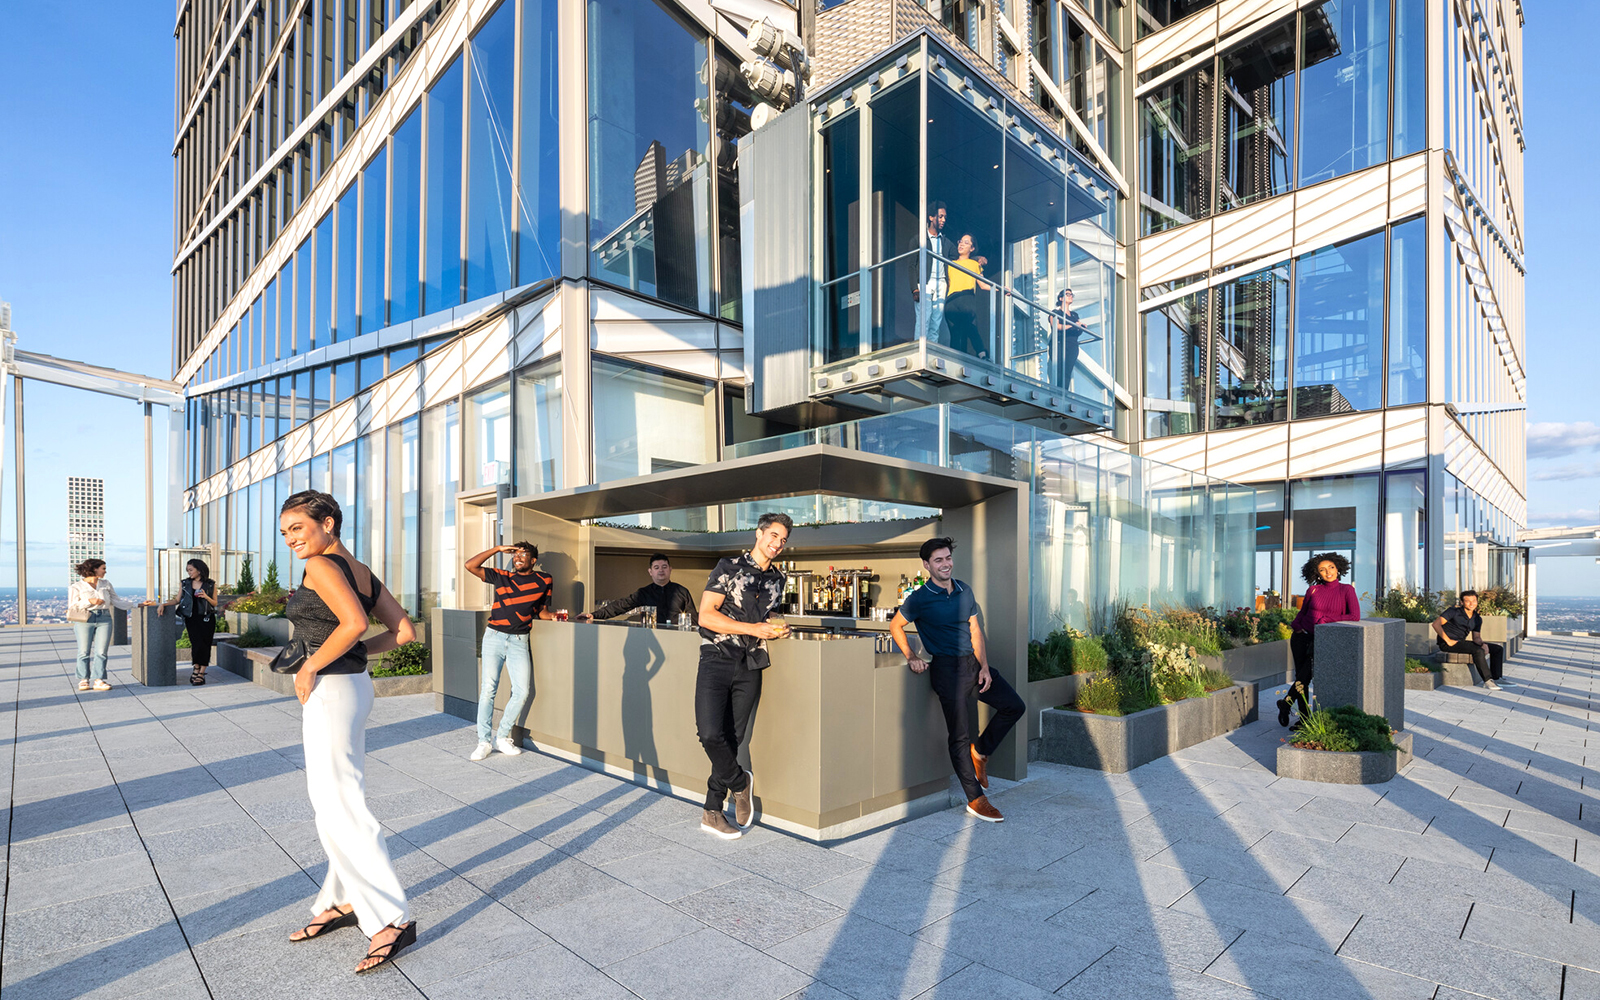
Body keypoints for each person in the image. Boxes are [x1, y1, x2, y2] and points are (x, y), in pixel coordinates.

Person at [279, 490, 418, 974]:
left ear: (328, 523)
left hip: (333, 692)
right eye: (285, 532)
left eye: (298, 528)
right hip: (353, 687)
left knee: (341, 805)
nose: (291, 539)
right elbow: (404, 632)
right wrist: (352, 656)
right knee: (335, 800)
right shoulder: (359, 569)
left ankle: (390, 917)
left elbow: (354, 622)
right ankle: (341, 900)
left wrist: (310, 667)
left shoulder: (320, 565)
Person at [889, 537, 1024, 823]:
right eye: (938, 560)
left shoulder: (964, 590)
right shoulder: (919, 598)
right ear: (926, 565)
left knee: (1014, 706)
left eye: (947, 558)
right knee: (960, 736)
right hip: (947, 670)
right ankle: (975, 799)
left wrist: (984, 667)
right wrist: (912, 656)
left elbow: (975, 630)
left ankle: (982, 751)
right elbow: (895, 625)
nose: (945, 564)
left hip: (973, 665)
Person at [695, 513, 792, 839]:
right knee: (710, 733)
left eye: (783, 540)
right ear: (759, 533)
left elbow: (769, 614)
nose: (777, 544)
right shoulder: (728, 566)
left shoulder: (778, 579)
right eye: (774, 535)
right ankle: (740, 783)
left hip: (751, 664)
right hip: (717, 658)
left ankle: (712, 811)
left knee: (733, 738)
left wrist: (779, 624)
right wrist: (752, 628)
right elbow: (706, 615)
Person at [463, 542, 555, 761]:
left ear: (533, 560)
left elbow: (542, 611)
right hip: (493, 637)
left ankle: (502, 737)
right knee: (488, 690)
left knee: (522, 690)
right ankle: (484, 741)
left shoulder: (545, 579)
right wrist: (497, 549)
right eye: (516, 555)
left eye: (524, 555)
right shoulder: (501, 576)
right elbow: (470, 565)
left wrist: (564, 618)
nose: (518, 558)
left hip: (519, 640)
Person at [1281, 552, 1361, 727]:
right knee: (1302, 677)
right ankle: (1303, 719)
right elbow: (1303, 613)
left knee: (1305, 675)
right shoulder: (1313, 590)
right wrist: (1295, 625)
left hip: (1322, 640)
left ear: (1338, 568)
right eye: (1322, 570)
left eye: (1331, 567)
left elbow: (1354, 616)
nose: (1328, 572)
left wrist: (1326, 620)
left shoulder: (1347, 590)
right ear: (1317, 573)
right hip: (1300, 637)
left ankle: (1286, 703)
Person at [67, 559, 148, 692]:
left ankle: (98, 679)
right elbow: (72, 606)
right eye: (103, 568)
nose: (105, 571)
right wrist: (89, 601)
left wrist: (137, 605)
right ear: (94, 569)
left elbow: (116, 601)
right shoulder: (77, 586)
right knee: (83, 651)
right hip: (85, 617)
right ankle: (83, 679)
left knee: (101, 651)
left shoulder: (106, 584)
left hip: (104, 617)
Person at [579, 552, 696, 626]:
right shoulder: (644, 593)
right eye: (656, 567)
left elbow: (694, 619)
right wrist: (594, 615)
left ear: (670, 569)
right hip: (652, 637)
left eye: (664, 567)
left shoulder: (682, 591)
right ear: (650, 572)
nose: (661, 570)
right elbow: (621, 605)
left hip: (678, 638)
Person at [156, 559, 219, 684]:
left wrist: (206, 596)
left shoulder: (211, 584)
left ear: (199, 570)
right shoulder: (185, 583)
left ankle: (201, 672)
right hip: (191, 618)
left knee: (205, 644)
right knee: (196, 644)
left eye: (191, 570)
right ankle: (196, 667)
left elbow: (215, 603)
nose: (189, 573)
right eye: (188, 570)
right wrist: (163, 604)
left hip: (207, 618)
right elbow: (177, 600)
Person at [1433, 590, 1505, 691]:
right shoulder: (1453, 612)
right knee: (1478, 651)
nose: (1472, 603)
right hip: (1447, 643)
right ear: (1462, 602)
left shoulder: (1477, 618)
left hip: (1460, 643)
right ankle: (1488, 680)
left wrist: (1483, 644)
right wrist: (1448, 640)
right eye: (1468, 601)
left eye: (1474, 601)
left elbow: (1476, 638)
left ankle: (1497, 678)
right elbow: (1436, 624)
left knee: (1497, 649)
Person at [944, 235, 992, 359]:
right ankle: (956, 359)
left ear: (972, 248)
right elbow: (947, 284)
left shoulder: (974, 264)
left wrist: (1000, 289)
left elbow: (983, 284)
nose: (961, 244)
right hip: (951, 299)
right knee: (955, 331)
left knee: (968, 326)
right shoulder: (950, 264)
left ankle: (981, 352)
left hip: (966, 297)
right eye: (960, 241)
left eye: (966, 243)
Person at [912, 201, 953, 343]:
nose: (943, 220)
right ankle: (919, 349)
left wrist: (977, 257)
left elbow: (959, 257)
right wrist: (914, 289)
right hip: (925, 282)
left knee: (936, 322)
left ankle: (932, 351)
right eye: (940, 217)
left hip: (941, 283)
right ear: (931, 217)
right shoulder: (919, 240)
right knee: (924, 319)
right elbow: (911, 265)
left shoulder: (946, 242)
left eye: (945, 217)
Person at [1052, 289, 1085, 390]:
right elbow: (1056, 326)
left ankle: (1063, 392)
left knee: (1068, 370)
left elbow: (1078, 329)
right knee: (1060, 369)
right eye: (1067, 294)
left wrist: (1081, 326)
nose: (1070, 296)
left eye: (1071, 294)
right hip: (1060, 343)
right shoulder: (1056, 312)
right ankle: (1057, 392)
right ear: (1061, 298)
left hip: (1072, 345)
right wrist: (1072, 325)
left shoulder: (1074, 315)